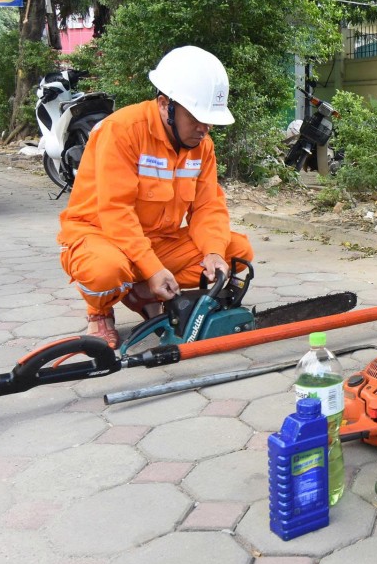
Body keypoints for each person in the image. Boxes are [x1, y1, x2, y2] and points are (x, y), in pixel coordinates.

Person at [58, 45, 254, 347]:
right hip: (102, 236)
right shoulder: (121, 131)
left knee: (236, 251)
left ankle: (143, 294)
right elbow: (116, 211)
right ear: (165, 104)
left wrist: (213, 252)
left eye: (209, 120)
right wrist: (151, 268)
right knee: (105, 271)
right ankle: (99, 311)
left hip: (159, 241)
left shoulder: (202, 146)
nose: (204, 129)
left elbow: (208, 207)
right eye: (196, 118)